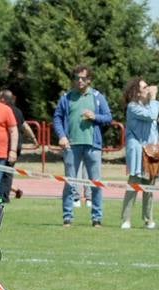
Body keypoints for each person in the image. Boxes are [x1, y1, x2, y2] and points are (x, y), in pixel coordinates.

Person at [53, 65, 112, 227]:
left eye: (83, 78)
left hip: (93, 146)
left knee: (96, 183)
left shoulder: (97, 97)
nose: (80, 80)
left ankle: (97, 218)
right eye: (77, 78)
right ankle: (67, 217)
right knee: (70, 182)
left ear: (89, 79)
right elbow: (57, 118)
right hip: (71, 146)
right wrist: (62, 136)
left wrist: (95, 116)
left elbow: (108, 118)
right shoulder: (66, 98)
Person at [121, 77, 159, 230]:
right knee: (134, 182)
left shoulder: (149, 106)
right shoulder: (133, 106)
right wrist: (154, 98)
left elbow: (153, 119)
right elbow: (151, 115)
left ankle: (148, 219)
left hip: (151, 149)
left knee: (149, 185)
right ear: (137, 93)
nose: (148, 89)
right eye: (144, 88)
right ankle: (126, 219)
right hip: (138, 149)